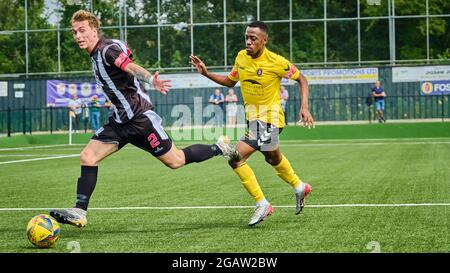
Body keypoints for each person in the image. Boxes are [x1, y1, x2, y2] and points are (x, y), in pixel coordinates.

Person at [49, 10, 238, 228]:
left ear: (94, 29)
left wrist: (150, 79)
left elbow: (129, 65)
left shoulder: (107, 50)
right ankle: (79, 212)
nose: (78, 36)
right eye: (74, 32)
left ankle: (219, 148)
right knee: (88, 156)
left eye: (82, 30)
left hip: (140, 120)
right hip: (119, 122)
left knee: (175, 161)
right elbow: (126, 53)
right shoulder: (97, 54)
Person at [190, 21, 314, 227]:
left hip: (271, 120)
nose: (248, 41)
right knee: (273, 159)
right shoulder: (241, 57)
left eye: (253, 38)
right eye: (246, 37)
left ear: (264, 40)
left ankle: (262, 203)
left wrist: (304, 107)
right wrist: (206, 73)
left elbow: (302, 79)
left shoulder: (276, 61)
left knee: (235, 158)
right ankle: (300, 187)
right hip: (254, 120)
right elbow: (230, 81)